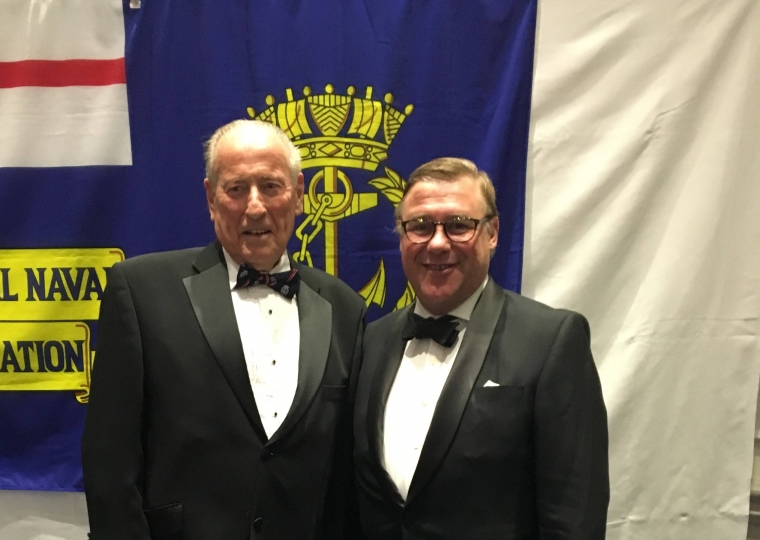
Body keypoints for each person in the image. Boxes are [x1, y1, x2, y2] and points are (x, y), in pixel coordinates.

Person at [82, 119, 366, 540]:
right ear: (211, 199)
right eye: (236, 189)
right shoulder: (141, 291)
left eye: (271, 186)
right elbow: (109, 461)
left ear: (300, 193)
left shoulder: (344, 308)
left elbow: (345, 475)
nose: (255, 207)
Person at [353, 157, 609, 539]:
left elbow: (574, 517)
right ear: (402, 237)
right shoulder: (372, 341)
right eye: (420, 226)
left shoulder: (552, 339)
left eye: (458, 226)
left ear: (492, 233)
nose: (437, 243)